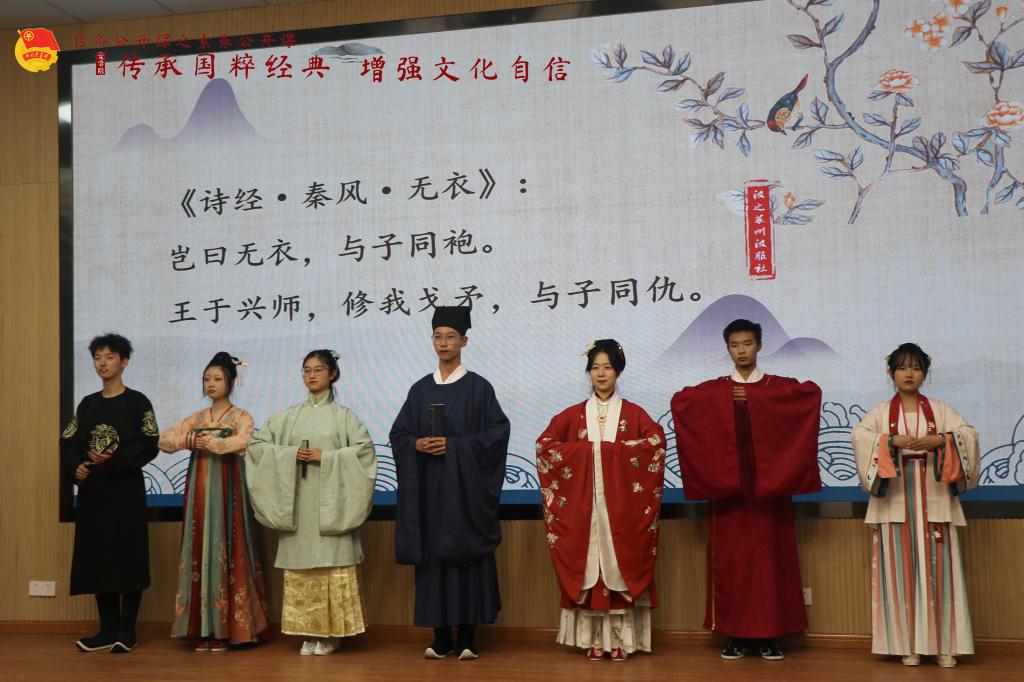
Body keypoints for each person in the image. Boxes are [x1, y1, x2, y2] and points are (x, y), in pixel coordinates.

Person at [670, 319, 821, 661]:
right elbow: (681, 401)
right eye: (735, 345)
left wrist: (755, 398)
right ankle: (735, 634)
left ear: (759, 346)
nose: (741, 351)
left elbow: (810, 394)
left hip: (770, 487)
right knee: (730, 563)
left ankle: (771, 635)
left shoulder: (776, 386)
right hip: (729, 489)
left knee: (772, 562)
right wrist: (728, 399)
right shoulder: (717, 388)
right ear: (727, 348)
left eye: (748, 343)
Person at [390, 306, 510, 660]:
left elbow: (497, 433)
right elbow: (399, 434)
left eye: (451, 337)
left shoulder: (478, 388)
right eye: (438, 336)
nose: (443, 343)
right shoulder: (419, 390)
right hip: (428, 491)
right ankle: (441, 637)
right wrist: (416, 445)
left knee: (466, 558)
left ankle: (468, 637)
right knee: (433, 561)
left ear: (464, 342)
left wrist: (455, 446)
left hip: (464, 493)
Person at [536, 339, 666, 662]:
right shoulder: (574, 415)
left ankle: (623, 640)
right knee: (590, 569)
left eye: (607, 367)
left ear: (618, 371)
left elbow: (655, 442)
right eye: (595, 367)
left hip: (620, 511)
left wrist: (606, 455)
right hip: (585, 511)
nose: (601, 373)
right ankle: (592, 639)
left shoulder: (634, 414)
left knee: (619, 568)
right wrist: (591, 453)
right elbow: (544, 445)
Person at [851, 343, 978, 669]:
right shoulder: (880, 412)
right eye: (902, 367)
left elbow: (967, 434)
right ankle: (906, 644)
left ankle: (944, 645)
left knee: (942, 575)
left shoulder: (941, 410)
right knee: (900, 575)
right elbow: (860, 436)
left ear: (925, 373)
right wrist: (890, 441)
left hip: (934, 499)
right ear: (890, 372)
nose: (909, 374)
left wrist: (942, 440)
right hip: (895, 500)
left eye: (916, 368)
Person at [245, 349, 377, 656]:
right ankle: (308, 631)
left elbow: (364, 454)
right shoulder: (287, 417)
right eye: (306, 370)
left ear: (332, 374)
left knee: (332, 566)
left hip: (333, 508)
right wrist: (289, 455)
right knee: (302, 569)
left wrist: (326, 457)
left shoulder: (344, 417)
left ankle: (332, 634)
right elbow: (257, 446)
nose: (311, 375)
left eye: (318, 369)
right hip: (299, 506)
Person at [157, 351, 269, 651]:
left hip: (228, 490)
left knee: (228, 545)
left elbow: (246, 441)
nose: (211, 383)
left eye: (217, 378)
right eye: (207, 378)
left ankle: (227, 629)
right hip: (200, 490)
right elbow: (164, 440)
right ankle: (202, 627)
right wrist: (188, 440)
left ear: (230, 381)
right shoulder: (196, 418)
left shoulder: (241, 416)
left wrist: (215, 443)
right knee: (200, 545)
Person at [60, 333, 160, 653]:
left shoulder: (138, 402)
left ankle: (127, 631)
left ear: (124, 362)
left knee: (127, 558)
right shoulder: (87, 404)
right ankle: (106, 630)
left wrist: (114, 460)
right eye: (97, 357)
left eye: (109, 357)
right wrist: (76, 467)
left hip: (126, 492)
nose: (102, 363)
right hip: (94, 494)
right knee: (97, 558)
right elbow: (68, 442)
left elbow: (150, 443)